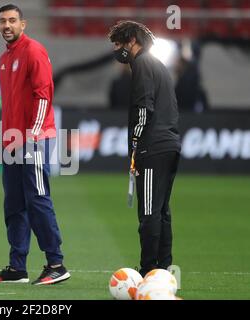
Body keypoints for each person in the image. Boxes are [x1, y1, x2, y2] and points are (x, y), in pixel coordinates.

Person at [0, 4, 70, 285]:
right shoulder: (4, 58)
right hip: (12, 143)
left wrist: (32, 134)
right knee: (14, 204)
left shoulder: (33, 50)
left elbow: (43, 95)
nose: (7, 25)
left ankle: (56, 263)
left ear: (24, 24)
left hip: (34, 139)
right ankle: (17, 267)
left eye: (12, 20)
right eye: (2, 21)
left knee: (37, 200)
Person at [108, 21, 181, 277]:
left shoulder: (141, 65)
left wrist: (136, 145)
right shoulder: (159, 65)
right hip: (170, 144)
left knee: (148, 212)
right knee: (161, 211)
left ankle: (149, 269)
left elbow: (143, 107)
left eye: (118, 44)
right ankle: (164, 269)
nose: (116, 50)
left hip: (152, 147)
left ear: (132, 42)